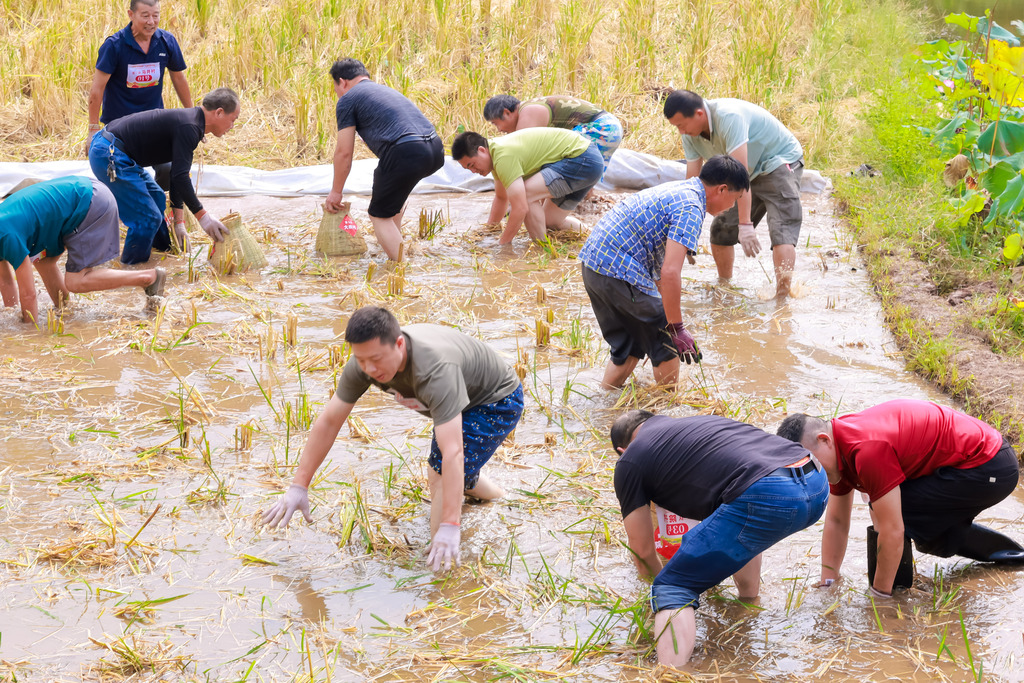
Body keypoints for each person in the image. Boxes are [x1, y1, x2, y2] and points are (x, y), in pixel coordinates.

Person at [261, 306, 524, 573]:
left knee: (441, 472)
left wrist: (450, 525)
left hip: (495, 400)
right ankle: (499, 498)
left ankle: (440, 572)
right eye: (361, 360)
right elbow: (330, 421)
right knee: (455, 473)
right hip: (461, 395)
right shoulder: (364, 364)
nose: (370, 369)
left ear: (399, 344)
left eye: (376, 359)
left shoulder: (435, 370)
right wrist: (299, 486)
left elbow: (453, 453)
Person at [611, 410, 828, 668]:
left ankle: (670, 674)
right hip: (815, 480)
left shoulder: (630, 461)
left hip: (768, 493)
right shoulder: (698, 424)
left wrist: (659, 598)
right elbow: (742, 518)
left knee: (672, 586)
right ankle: (748, 606)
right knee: (744, 518)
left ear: (623, 450)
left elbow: (643, 551)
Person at [777, 399, 1024, 599]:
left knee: (892, 512)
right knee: (920, 529)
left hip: (990, 464)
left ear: (824, 440)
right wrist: (829, 581)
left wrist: (879, 599)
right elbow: (837, 521)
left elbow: (893, 530)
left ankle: (891, 588)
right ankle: (1011, 556)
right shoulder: (836, 453)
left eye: (811, 463)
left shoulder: (866, 450)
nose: (811, 473)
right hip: (967, 463)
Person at [579, 155, 749, 389]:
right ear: (722, 189)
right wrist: (676, 327)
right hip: (617, 269)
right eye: (736, 199)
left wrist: (661, 310)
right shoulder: (691, 207)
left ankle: (603, 403)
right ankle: (668, 410)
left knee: (629, 346)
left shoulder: (682, 189)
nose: (732, 206)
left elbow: (659, 271)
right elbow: (670, 272)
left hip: (594, 266)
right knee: (667, 343)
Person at [663, 90, 804, 298]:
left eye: (681, 125)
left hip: (777, 162)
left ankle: (782, 298)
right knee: (721, 230)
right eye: (676, 127)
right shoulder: (689, 135)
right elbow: (693, 186)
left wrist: (746, 225)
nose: (680, 132)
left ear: (700, 114)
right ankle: (725, 287)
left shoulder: (729, 117)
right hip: (742, 172)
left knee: (781, 230)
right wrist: (684, 235)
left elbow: (742, 174)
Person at [88, 87, 239, 265]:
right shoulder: (190, 126)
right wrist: (203, 217)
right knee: (147, 217)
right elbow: (181, 177)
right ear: (219, 113)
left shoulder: (192, 123)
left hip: (119, 153)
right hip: (109, 152)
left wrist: (179, 223)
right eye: (233, 120)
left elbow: (177, 174)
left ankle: (163, 252)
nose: (232, 126)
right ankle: (131, 271)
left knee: (158, 198)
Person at [0, 176, 165, 324]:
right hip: (83, 195)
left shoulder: (6, 235)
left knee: (76, 281)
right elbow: (5, 282)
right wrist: (13, 316)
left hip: (91, 201)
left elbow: (29, 294)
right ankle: (65, 312)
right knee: (44, 262)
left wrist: (28, 333)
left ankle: (148, 278)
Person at [325, 58, 444, 261]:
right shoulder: (384, 90)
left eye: (336, 88)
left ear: (342, 82)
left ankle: (400, 269)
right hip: (435, 148)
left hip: (405, 150)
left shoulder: (348, 99)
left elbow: (343, 152)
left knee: (378, 215)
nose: (338, 93)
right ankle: (394, 243)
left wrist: (336, 192)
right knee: (392, 199)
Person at [85, 0, 192, 191]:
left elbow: (178, 78)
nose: (151, 21)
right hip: (119, 128)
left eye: (156, 15)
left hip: (154, 123)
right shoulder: (114, 46)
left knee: (170, 168)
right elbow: (97, 90)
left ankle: (158, 207)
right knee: (122, 177)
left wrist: (192, 114)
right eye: (145, 15)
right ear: (131, 14)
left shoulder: (166, 42)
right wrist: (93, 129)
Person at [451, 129, 603, 244]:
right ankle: (598, 238)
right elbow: (501, 197)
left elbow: (521, 207)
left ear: (482, 150)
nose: (473, 171)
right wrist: (489, 230)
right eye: (468, 169)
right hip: (589, 161)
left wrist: (502, 246)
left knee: (526, 196)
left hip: (582, 158)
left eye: (472, 165)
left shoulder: (503, 156)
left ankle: (541, 249)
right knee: (551, 222)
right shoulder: (495, 155)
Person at [483, 94, 623, 176]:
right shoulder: (531, 107)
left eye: (496, 123)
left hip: (602, 128)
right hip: (610, 129)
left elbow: (524, 159)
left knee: (555, 166)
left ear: (507, 112)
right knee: (582, 174)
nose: (499, 130)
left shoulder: (528, 112)